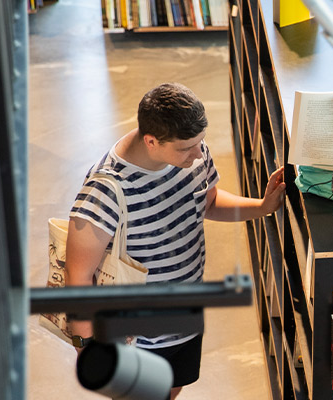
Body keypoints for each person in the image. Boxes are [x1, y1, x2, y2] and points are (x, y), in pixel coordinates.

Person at [64, 82, 285, 399]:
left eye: (201, 143)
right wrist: (86, 348)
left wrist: (262, 208)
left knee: (172, 387)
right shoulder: (105, 191)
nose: (198, 155)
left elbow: (206, 203)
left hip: (184, 314)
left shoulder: (192, 152)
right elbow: (78, 275)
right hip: (133, 337)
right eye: (186, 148)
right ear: (151, 141)